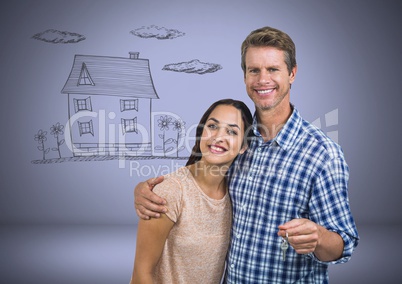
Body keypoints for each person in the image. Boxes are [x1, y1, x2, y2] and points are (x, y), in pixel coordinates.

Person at [134, 26, 359, 283]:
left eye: (273, 69)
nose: (263, 79)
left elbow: (344, 245)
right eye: (254, 70)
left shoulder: (322, 153)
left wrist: (319, 236)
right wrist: (146, 190)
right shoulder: (237, 143)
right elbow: (195, 184)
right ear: (245, 76)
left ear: (292, 73)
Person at [130, 99, 253, 284]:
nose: (218, 137)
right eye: (212, 126)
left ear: (244, 146)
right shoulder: (171, 191)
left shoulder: (236, 193)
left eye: (231, 131)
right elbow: (141, 275)